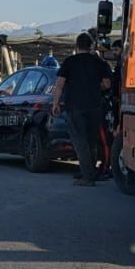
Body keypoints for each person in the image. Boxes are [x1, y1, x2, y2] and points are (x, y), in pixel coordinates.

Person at [52, 33, 112, 186]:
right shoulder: (98, 62)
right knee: (91, 140)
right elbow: (107, 84)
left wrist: (55, 104)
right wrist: (94, 87)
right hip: (95, 106)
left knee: (80, 142)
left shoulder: (69, 62)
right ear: (91, 46)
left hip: (75, 107)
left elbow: (59, 85)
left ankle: (87, 177)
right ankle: (90, 171)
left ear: (76, 46)